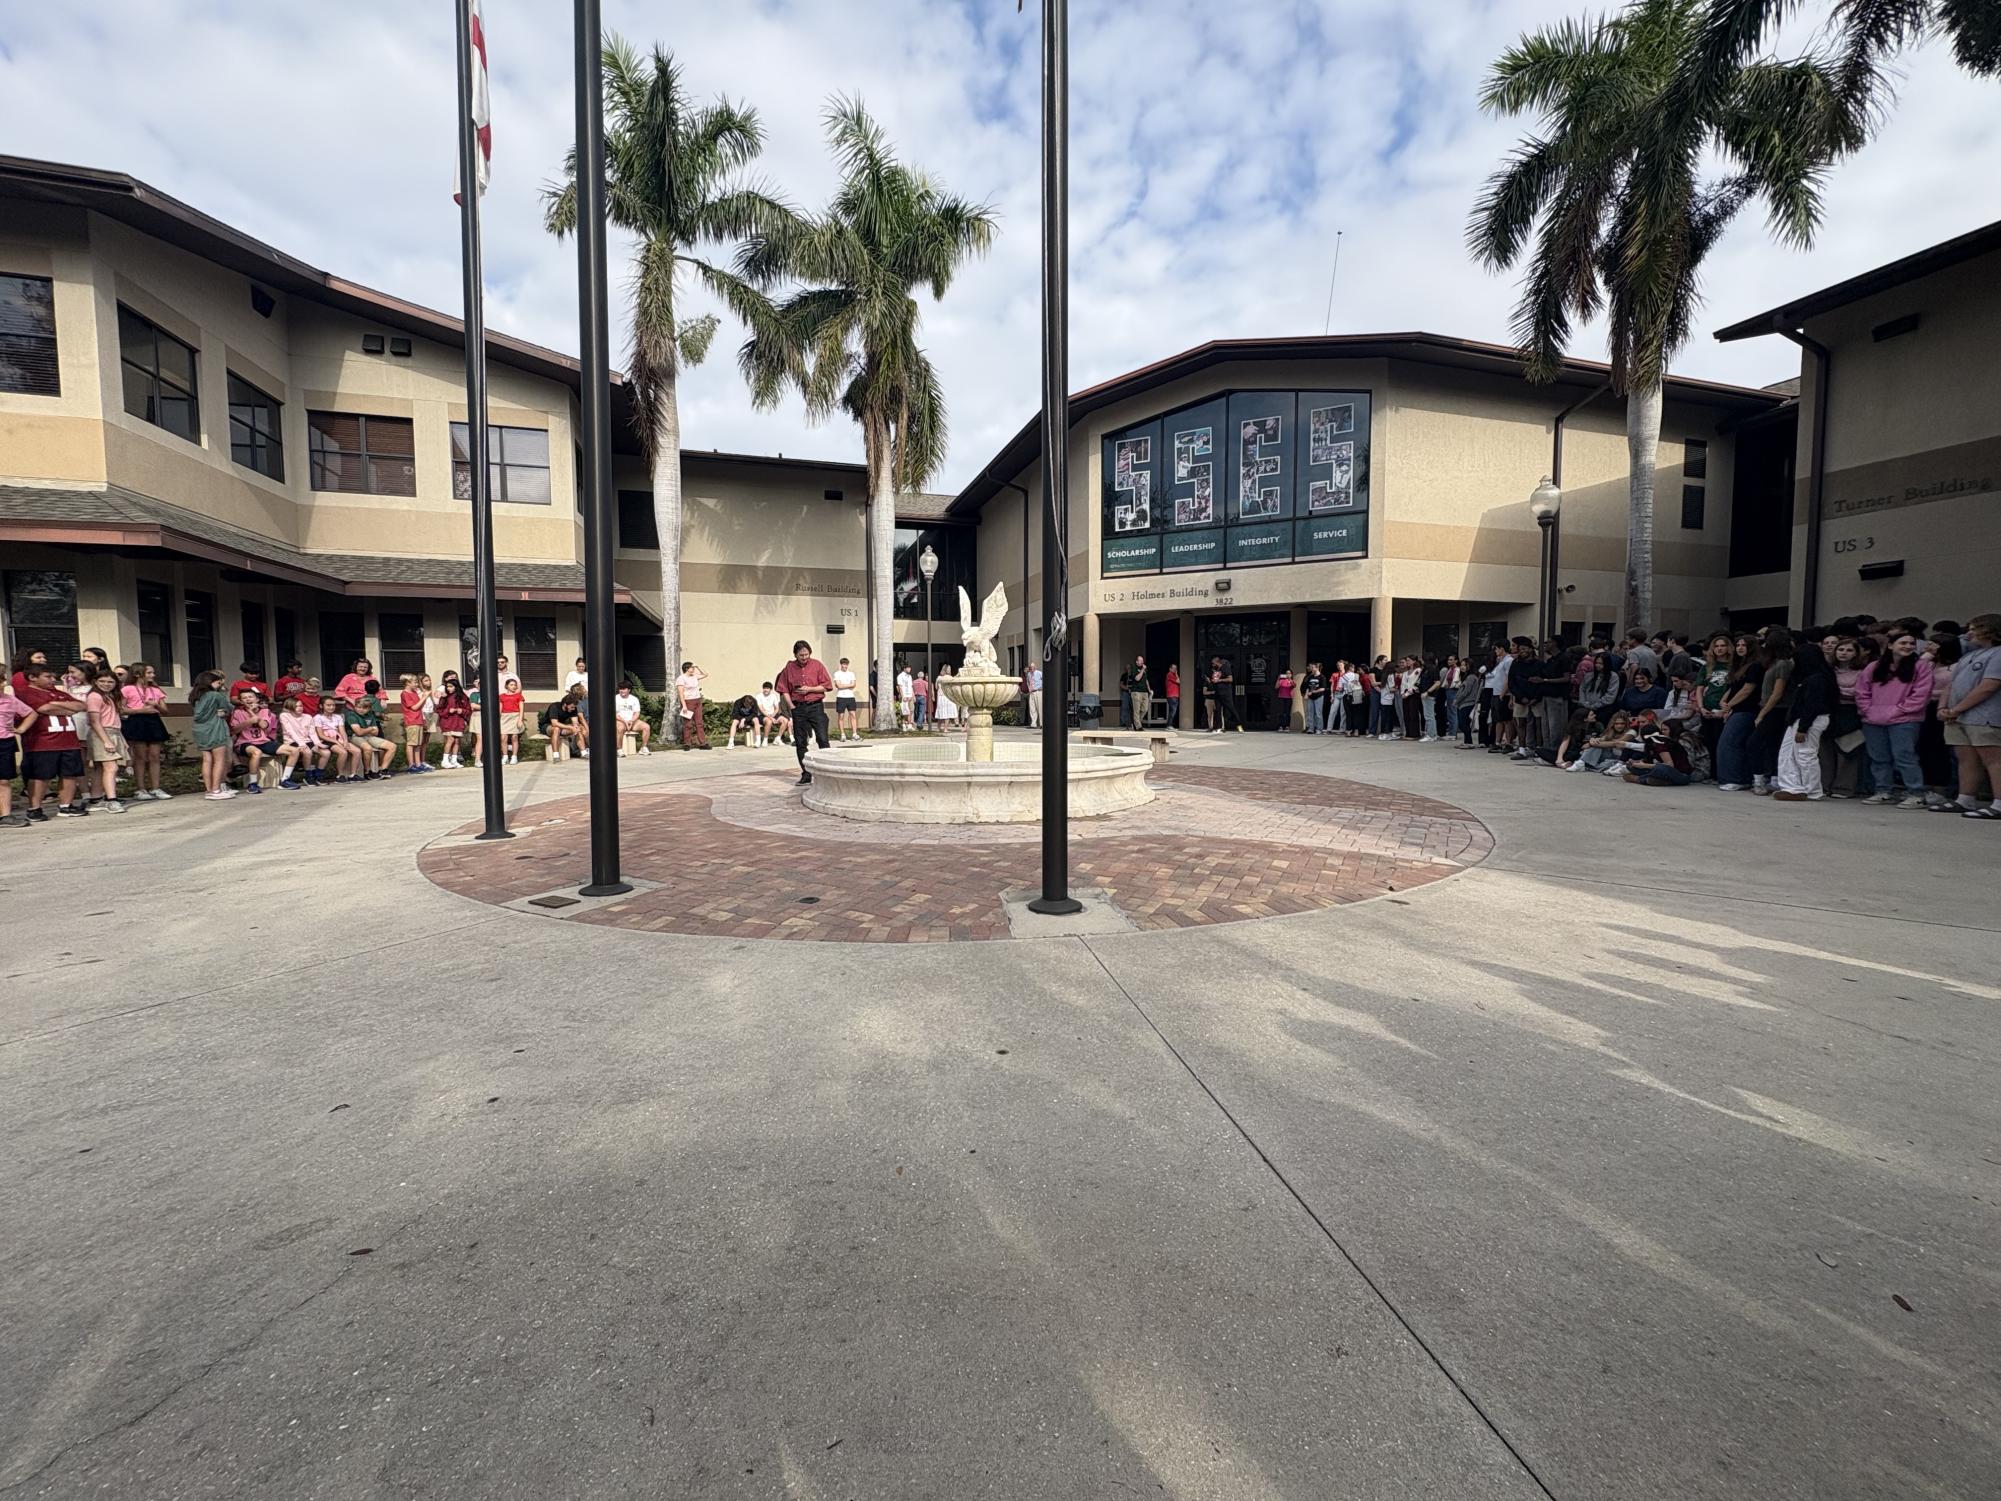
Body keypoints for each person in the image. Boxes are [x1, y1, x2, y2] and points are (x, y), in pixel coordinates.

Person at [1853, 630, 1932, 807]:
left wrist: (1901, 710)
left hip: (1905, 720)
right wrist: (1867, 710)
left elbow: (1922, 693)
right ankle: (1883, 790)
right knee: (1879, 757)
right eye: (1903, 643)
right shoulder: (1874, 666)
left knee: (1905, 756)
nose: (1908, 647)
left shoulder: (1921, 666)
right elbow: (1861, 691)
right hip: (1873, 719)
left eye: (1911, 643)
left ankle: (1915, 793)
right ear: (1890, 645)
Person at [1938, 612, 2001, 819]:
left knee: (1993, 759)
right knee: (1966, 758)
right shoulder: (1968, 656)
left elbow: (1989, 686)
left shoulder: (1998, 654)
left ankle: (1999, 803)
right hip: (1958, 716)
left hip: (1984, 715)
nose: (1969, 633)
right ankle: (1965, 798)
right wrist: (1944, 707)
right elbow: (1951, 684)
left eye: (1974, 629)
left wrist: (1958, 708)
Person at [16, 665, 87, 820]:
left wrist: (57, 705)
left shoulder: (58, 693)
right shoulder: (25, 693)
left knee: (69, 774)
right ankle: (35, 808)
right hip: (42, 742)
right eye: (47, 676)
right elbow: (44, 708)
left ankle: (65, 806)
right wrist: (64, 707)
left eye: (53, 676)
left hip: (69, 740)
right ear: (32, 678)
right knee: (40, 776)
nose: (53, 680)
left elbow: (81, 705)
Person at [1773, 642, 1834, 801]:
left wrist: (1803, 728)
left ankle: (1811, 790)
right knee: (1789, 753)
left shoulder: (1817, 680)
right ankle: (1793, 786)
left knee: (1805, 754)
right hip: (1800, 719)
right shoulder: (1815, 677)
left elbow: (1812, 706)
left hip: (1809, 720)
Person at [775, 639, 834, 785]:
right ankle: (806, 774)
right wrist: (791, 706)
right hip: (798, 708)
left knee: (822, 738)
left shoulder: (817, 665)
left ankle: (827, 773)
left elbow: (826, 686)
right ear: (795, 655)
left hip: (816, 706)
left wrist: (810, 689)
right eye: (801, 655)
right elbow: (783, 689)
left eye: (806, 654)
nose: (804, 657)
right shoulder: (789, 668)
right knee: (801, 742)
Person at [1713, 634, 1764, 791]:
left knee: (1729, 743)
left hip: (1747, 710)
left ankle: (1734, 778)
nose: (1740, 648)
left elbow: (1748, 689)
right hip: (1736, 709)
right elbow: (1733, 687)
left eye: (1744, 645)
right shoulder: (1739, 666)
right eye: (1738, 645)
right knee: (1733, 743)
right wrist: (1724, 700)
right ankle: (1739, 777)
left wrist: (1729, 705)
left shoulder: (1755, 666)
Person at [1748, 626, 1795, 796]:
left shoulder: (1783, 664)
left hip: (1776, 709)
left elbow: (1777, 693)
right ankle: (1773, 778)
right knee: (1772, 744)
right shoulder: (1773, 663)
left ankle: (1760, 779)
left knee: (1755, 742)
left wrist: (1762, 714)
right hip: (1770, 707)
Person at [118, 661, 171, 801]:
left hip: (153, 720)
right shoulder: (127, 689)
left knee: (154, 756)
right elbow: (121, 709)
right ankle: (140, 788)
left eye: (153, 672)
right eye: (149, 673)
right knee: (140, 756)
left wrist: (156, 706)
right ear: (137, 674)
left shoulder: (156, 690)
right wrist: (140, 710)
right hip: (137, 720)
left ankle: (156, 787)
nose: (152, 675)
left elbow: (165, 710)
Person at [82, 669, 129, 813]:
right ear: (95, 682)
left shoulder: (109, 696)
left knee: (100, 768)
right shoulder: (95, 696)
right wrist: (106, 741)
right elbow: (95, 721)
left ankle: (96, 798)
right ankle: (112, 800)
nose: (106, 684)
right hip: (102, 733)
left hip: (113, 731)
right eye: (102, 681)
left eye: (110, 682)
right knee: (112, 767)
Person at [189, 670, 236, 801]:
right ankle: (216, 789)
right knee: (219, 760)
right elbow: (229, 707)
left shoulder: (195, 696)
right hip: (215, 728)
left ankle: (209, 790)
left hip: (200, 730)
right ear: (210, 682)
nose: (220, 685)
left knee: (207, 760)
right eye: (218, 683)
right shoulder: (215, 695)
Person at [0, 678, 36, 827]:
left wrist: (21, 729)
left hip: (4, 742)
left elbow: (31, 713)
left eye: (1, 682)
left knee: (4, 780)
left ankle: (6, 815)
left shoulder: (10, 700)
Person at [345, 681, 397, 779]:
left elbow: (376, 731)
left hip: (369, 736)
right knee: (367, 748)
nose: (361, 710)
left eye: (364, 708)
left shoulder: (370, 715)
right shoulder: (352, 715)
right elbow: (358, 732)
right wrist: (369, 729)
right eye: (358, 707)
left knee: (392, 746)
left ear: (369, 709)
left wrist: (368, 730)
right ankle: (368, 772)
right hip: (354, 737)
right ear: (355, 706)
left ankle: (383, 770)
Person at [229, 689, 278, 792]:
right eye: (244, 698)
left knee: (293, 750)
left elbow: (264, 725)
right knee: (256, 752)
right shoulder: (237, 712)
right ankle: (253, 783)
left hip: (263, 741)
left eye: (250, 697)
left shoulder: (264, 711)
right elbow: (233, 731)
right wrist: (249, 722)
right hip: (244, 742)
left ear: (256, 699)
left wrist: (252, 712)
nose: (248, 699)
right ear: (241, 701)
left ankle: (286, 779)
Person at [276, 695, 324, 789]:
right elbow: (290, 731)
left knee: (325, 752)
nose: (300, 708)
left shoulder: (308, 717)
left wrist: (318, 743)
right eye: (297, 706)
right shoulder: (285, 716)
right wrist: (301, 743)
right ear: (290, 707)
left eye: (301, 706)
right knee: (307, 752)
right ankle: (308, 775)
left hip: (307, 740)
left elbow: (312, 732)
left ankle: (318, 775)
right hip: (292, 741)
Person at [314, 697, 360, 782]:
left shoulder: (338, 717)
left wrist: (345, 741)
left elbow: (342, 731)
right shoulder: (318, 717)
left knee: (357, 751)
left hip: (338, 738)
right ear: (321, 706)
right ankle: (340, 775)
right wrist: (335, 741)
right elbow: (320, 735)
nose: (331, 707)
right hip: (326, 739)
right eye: (328, 705)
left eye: (333, 705)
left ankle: (353, 774)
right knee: (343, 752)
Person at [435, 672, 473, 768]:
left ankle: (454, 760)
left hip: (458, 722)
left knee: (457, 741)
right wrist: (448, 710)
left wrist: (462, 710)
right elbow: (439, 710)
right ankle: (445, 760)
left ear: (456, 687)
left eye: (451, 686)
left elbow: (468, 709)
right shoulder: (445, 698)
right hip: (448, 721)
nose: (449, 689)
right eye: (447, 687)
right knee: (450, 739)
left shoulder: (463, 697)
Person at [397, 674, 433, 774]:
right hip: (411, 721)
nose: (417, 684)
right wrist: (424, 697)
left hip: (419, 719)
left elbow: (420, 707)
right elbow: (414, 707)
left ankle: (418, 764)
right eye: (415, 682)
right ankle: (411, 765)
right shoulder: (405, 693)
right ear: (408, 683)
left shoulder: (414, 693)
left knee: (418, 743)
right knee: (411, 743)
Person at [674, 661, 709, 750]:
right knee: (688, 724)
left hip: (697, 701)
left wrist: (698, 666)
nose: (693, 669)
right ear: (686, 669)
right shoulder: (681, 678)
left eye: (693, 667)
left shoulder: (694, 676)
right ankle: (687, 744)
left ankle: (703, 743)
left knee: (699, 723)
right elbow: (681, 693)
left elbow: (706, 674)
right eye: (691, 667)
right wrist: (684, 705)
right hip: (688, 702)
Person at [545, 692, 588, 760]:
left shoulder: (573, 709)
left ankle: (583, 752)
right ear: (565, 704)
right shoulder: (554, 707)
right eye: (572, 707)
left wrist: (576, 727)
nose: (573, 709)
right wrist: (571, 727)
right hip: (547, 726)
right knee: (556, 729)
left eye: (574, 707)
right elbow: (554, 723)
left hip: (562, 726)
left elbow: (575, 721)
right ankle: (556, 755)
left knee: (577, 728)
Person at [613, 682, 652, 754]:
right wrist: (624, 722)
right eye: (620, 689)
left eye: (624, 689)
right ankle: (619, 749)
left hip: (632, 721)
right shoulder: (615, 698)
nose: (621, 691)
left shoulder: (634, 699)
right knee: (620, 728)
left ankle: (643, 748)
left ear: (629, 690)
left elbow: (637, 713)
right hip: (620, 720)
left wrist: (631, 721)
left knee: (646, 727)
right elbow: (614, 714)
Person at [832, 657, 861, 740]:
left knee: (853, 715)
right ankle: (842, 734)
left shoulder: (851, 674)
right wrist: (848, 685)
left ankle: (854, 734)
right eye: (843, 664)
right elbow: (838, 685)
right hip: (841, 697)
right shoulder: (837, 674)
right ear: (841, 665)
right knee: (841, 716)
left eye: (846, 664)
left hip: (850, 697)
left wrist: (844, 685)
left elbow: (853, 685)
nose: (845, 666)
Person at [498, 677, 525, 764]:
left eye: (515, 685)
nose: (513, 686)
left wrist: (520, 720)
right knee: (503, 738)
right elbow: (500, 708)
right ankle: (505, 756)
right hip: (505, 717)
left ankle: (514, 756)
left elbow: (521, 709)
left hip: (515, 716)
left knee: (514, 737)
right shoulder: (501, 696)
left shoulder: (519, 696)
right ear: (507, 686)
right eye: (511, 685)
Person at [1212, 658, 1242, 732]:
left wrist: (1219, 680)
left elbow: (1230, 679)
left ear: (1217, 663)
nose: (1212, 665)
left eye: (1213, 664)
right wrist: (1212, 680)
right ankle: (1219, 727)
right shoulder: (1216, 670)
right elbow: (1215, 679)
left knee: (1231, 709)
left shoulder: (1225, 667)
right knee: (1218, 710)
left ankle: (1239, 725)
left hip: (1226, 693)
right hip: (1217, 693)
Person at [755, 681, 790, 745]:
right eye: (764, 688)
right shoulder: (759, 696)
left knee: (785, 720)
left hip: (772, 714)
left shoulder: (773, 696)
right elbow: (761, 710)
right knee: (769, 721)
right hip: (762, 715)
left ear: (770, 689)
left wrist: (773, 715)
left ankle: (778, 738)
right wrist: (771, 718)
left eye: (767, 688)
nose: (766, 690)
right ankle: (765, 740)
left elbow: (777, 708)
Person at [1126, 656, 1154, 730]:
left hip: (1144, 692)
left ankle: (1136, 723)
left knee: (1145, 709)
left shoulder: (1144, 670)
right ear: (1137, 662)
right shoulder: (1134, 669)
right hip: (1136, 692)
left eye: (1142, 661)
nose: (1142, 662)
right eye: (1140, 661)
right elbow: (1137, 678)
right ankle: (1138, 726)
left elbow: (1146, 680)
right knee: (1136, 710)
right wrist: (1142, 670)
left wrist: (1149, 690)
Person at [1273, 666, 1294, 731]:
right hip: (1281, 697)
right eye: (1286, 673)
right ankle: (1280, 726)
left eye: (1289, 673)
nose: (1288, 674)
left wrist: (1289, 679)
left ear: (1291, 674)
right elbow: (1276, 687)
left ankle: (1287, 726)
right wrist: (1278, 678)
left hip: (1289, 698)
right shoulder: (1282, 680)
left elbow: (1293, 685)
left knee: (1287, 712)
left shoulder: (1291, 681)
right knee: (1281, 712)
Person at [896, 665, 916, 730]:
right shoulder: (900, 676)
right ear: (904, 669)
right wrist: (903, 696)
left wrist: (913, 695)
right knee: (904, 711)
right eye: (908, 668)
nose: (910, 669)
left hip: (910, 695)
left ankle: (909, 725)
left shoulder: (910, 676)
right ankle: (904, 725)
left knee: (910, 710)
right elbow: (900, 687)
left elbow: (911, 686)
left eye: (910, 667)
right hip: (904, 696)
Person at [1029, 662, 1047, 729]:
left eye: (1033, 667)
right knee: (1032, 708)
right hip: (1032, 692)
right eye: (1031, 667)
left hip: (1038, 691)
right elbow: (1029, 681)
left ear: (1035, 667)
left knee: (1039, 707)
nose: (1032, 668)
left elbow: (1046, 680)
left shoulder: (1039, 673)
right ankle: (1033, 724)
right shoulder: (1029, 674)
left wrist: (1042, 687)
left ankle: (1042, 723)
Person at [1163, 663, 1179, 730]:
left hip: (1175, 695)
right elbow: (1178, 681)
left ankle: (1169, 725)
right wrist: (1176, 674)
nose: (1175, 670)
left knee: (1172, 711)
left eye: (1176, 668)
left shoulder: (1173, 675)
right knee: (1173, 711)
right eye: (1174, 668)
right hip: (1172, 696)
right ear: (1170, 669)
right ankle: (1169, 725)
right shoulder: (1170, 674)